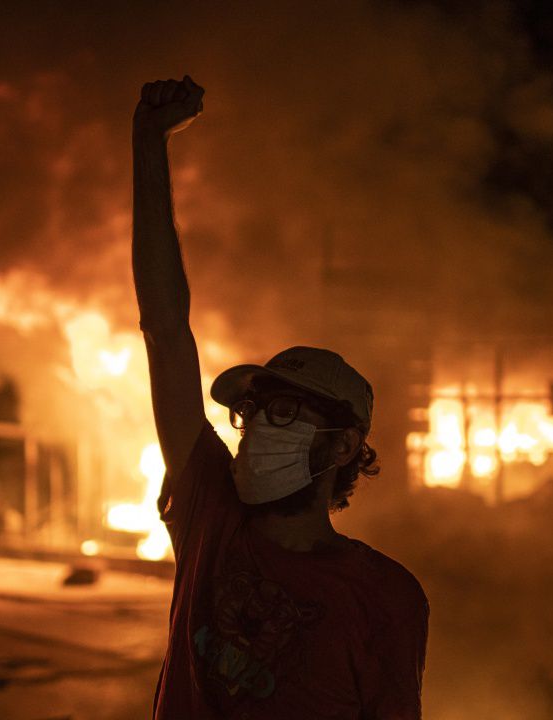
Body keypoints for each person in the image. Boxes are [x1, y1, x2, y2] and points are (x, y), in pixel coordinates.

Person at [133, 76, 429, 719]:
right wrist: (149, 145)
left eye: (288, 412)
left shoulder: (385, 595)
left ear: (345, 445)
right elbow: (164, 328)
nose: (261, 427)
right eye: (255, 411)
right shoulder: (208, 513)